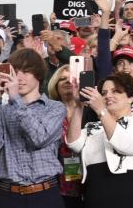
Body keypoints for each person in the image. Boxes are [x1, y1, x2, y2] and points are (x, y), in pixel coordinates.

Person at [0, 48, 67, 208]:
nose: (19, 78)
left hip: (46, 193)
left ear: (39, 76)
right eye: (15, 72)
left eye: (26, 72)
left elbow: (39, 138)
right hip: (9, 194)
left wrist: (15, 98)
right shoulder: (2, 108)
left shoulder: (55, 108)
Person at [64, 73, 133, 208]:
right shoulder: (92, 126)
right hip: (97, 194)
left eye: (116, 91)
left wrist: (101, 111)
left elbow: (125, 144)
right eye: (103, 93)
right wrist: (79, 105)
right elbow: (73, 144)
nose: (108, 96)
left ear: (131, 97)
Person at [45, 65, 84, 206]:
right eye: (62, 79)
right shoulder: (48, 113)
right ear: (55, 86)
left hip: (90, 179)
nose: (68, 82)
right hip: (58, 183)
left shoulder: (91, 109)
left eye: (72, 78)